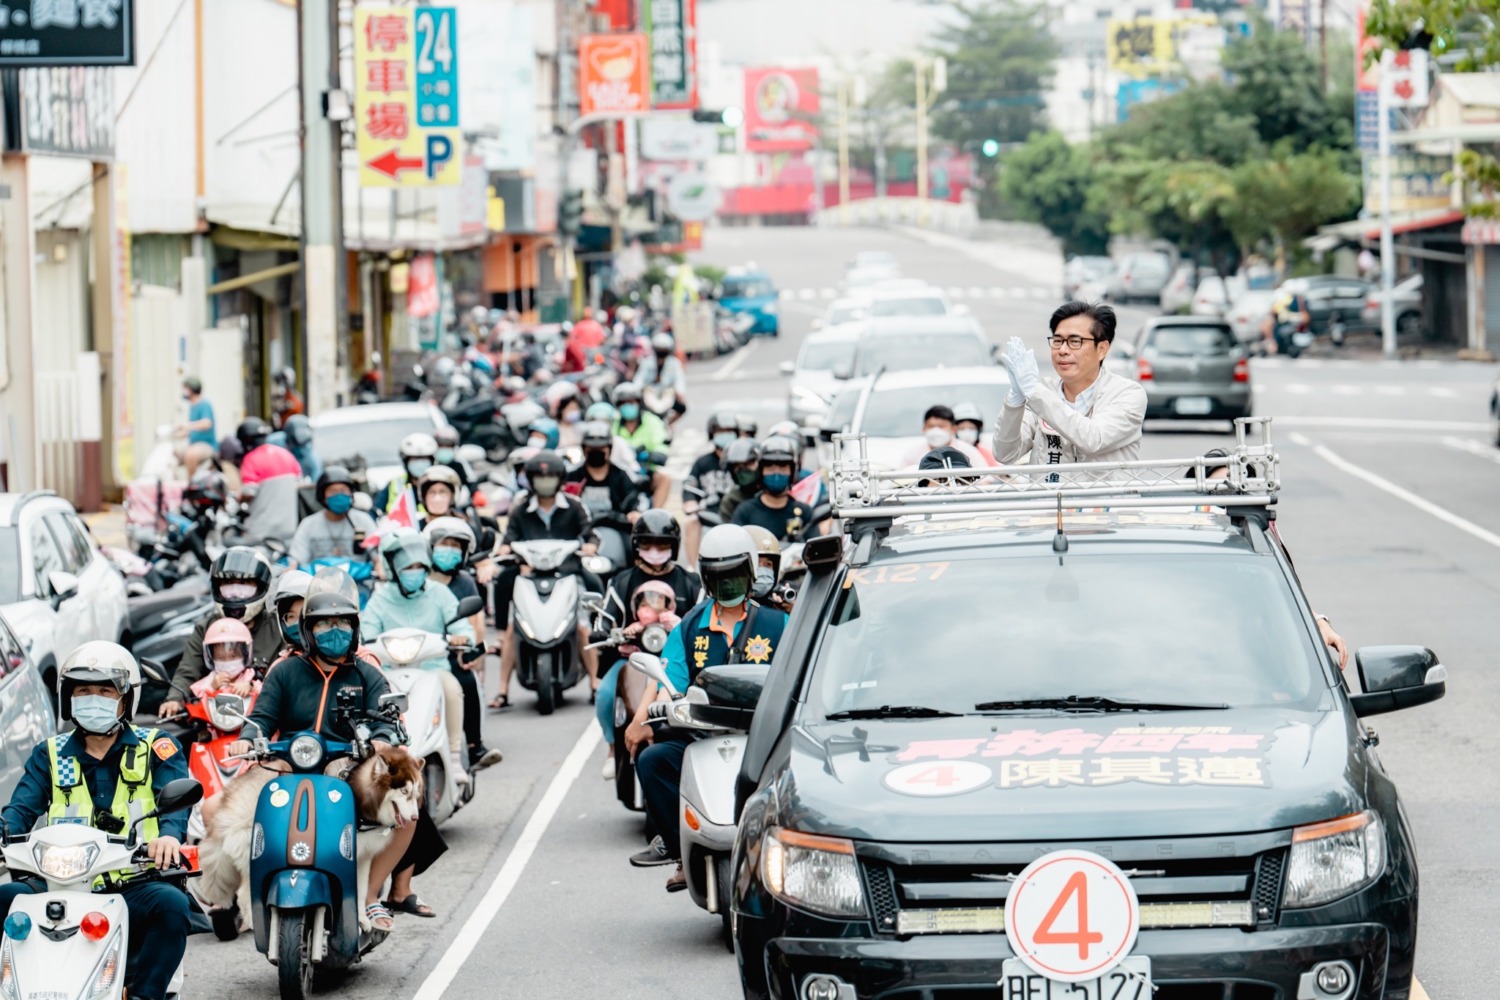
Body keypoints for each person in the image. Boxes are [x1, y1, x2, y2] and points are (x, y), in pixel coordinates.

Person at [0, 642, 203, 1000]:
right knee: (5, 898)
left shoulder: (155, 746)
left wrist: (169, 837)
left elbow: (174, 804)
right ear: (68, 698)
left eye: (105, 690)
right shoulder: (50, 754)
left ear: (126, 699)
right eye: (83, 690)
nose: (93, 698)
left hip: (133, 881)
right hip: (59, 884)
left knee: (171, 906)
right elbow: (19, 810)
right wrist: (4, 834)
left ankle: (144, 994)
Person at [229, 591, 414, 933]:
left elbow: (386, 720)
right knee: (222, 809)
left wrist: (381, 738)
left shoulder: (365, 674)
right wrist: (244, 739)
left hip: (346, 763)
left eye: (343, 623)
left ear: (355, 628)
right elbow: (262, 717)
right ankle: (245, 893)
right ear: (308, 631)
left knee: (404, 812)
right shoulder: (285, 671)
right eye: (325, 624)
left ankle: (370, 897)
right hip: (286, 761)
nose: (335, 630)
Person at [626, 525, 788, 890]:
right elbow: (668, 684)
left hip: (764, 739)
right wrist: (654, 711)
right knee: (652, 761)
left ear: (750, 572)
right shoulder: (689, 628)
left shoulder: (780, 624)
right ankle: (679, 850)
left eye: (734, 575)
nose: (727, 585)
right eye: (718, 578)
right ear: (704, 577)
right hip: (702, 736)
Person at [362, 530, 478, 783]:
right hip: (391, 671)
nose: (414, 572)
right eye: (407, 567)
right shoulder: (381, 598)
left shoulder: (439, 593)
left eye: (419, 567)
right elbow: (367, 631)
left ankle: (456, 758)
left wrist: (462, 637)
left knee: (452, 688)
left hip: (433, 668)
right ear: (395, 569)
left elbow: (461, 625)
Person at [593, 511, 702, 778]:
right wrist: (610, 633)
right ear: (636, 546)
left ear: (674, 546)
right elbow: (604, 620)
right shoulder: (621, 581)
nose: (654, 551)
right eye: (647, 544)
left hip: (678, 664)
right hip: (631, 659)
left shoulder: (691, 582)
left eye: (662, 544)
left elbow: (701, 618)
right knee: (605, 695)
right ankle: (611, 748)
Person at [492, 451, 603, 709]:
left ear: (560, 478)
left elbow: (591, 534)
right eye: (539, 477)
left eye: (550, 476)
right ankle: (502, 690)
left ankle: (595, 682)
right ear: (530, 480)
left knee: (584, 623)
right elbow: (508, 538)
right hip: (529, 576)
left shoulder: (574, 506)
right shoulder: (520, 510)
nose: (545, 481)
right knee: (511, 627)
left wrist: (590, 547)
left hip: (568, 574)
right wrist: (506, 550)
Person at [994, 301, 1148, 473]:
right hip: (1051, 499)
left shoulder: (1127, 393)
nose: (1063, 350)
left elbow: (1093, 440)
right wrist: (1014, 401)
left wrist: (1035, 392)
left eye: (1075, 341)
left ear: (1102, 349)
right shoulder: (1042, 392)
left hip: (1105, 500)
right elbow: (1005, 454)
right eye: (1057, 341)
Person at [160, 547, 282, 716]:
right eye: (227, 585)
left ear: (262, 586)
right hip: (215, 717)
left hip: (268, 715)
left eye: (244, 584)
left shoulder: (278, 628)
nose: (234, 594)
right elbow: (188, 670)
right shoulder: (206, 627)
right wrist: (174, 698)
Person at [423, 517, 502, 769]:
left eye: (456, 545)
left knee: (468, 681)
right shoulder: (416, 579)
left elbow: (475, 623)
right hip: (417, 652)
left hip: (452, 652)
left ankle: (474, 746)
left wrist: (472, 655)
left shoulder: (465, 582)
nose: (450, 550)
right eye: (445, 544)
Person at [288, 465, 376, 568]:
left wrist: (379, 567)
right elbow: (296, 558)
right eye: (333, 492)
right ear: (323, 497)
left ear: (351, 494)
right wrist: (291, 569)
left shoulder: (363, 520)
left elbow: (377, 553)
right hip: (319, 581)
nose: (339, 495)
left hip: (358, 581)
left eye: (343, 491)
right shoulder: (308, 524)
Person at [731, 435, 812, 543]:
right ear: (761, 472)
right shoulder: (745, 512)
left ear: (792, 473)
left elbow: (816, 552)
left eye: (783, 468)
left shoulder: (804, 513)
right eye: (770, 469)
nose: (776, 474)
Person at [682, 411, 738, 565]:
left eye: (729, 431)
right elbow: (689, 485)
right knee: (691, 521)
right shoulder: (702, 463)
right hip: (710, 512)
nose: (726, 435)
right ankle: (694, 569)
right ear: (712, 434)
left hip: (735, 512)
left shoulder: (740, 461)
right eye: (721, 431)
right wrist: (690, 502)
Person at [234, 417, 302, 544]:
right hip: (290, 529)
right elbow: (300, 485)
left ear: (246, 440)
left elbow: (249, 493)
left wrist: (238, 498)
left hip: (261, 533)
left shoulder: (251, 459)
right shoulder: (286, 454)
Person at [567, 421, 647, 523]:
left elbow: (633, 501)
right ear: (584, 449)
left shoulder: (621, 475)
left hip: (617, 529)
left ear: (609, 448)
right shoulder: (572, 476)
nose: (596, 452)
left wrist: (634, 513)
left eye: (600, 448)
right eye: (592, 448)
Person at [612, 383, 671, 508]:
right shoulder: (613, 424)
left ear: (639, 403)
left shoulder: (652, 421)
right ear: (618, 406)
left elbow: (662, 446)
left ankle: (655, 513)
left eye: (631, 402)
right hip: (620, 473)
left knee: (664, 478)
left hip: (644, 471)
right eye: (624, 403)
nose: (628, 406)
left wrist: (649, 455)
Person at [376, 432, 439, 515]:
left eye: (424, 459)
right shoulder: (395, 484)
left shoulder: (440, 484)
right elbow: (376, 510)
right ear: (406, 461)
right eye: (415, 459)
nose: (419, 463)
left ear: (432, 461)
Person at [905, 405, 986, 467]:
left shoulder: (968, 451)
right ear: (924, 428)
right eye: (931, 426)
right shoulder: (913, 454)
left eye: (941, 426)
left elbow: (986, 480)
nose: (936, 431)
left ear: (953, 429)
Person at [635, 332, 688, 424]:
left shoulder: (674, 364)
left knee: (682, 407)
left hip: (667, 395)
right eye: (659, 351)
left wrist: (680, 395)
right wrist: (637, 392)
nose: (661, 354)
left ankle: (668, 424)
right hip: (650, 395)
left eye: (664, 351)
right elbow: (638, 381)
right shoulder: (647, 363)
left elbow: (679, 382)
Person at [743, 524, 794, 614]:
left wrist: (790, 613)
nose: (762, 569)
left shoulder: (775, 607)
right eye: (756, 562)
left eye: (768, 564)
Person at [176, 376, 217, 476]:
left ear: (192, 389)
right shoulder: (192, 407)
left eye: (185, 388)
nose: (183, 391)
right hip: (193, 444)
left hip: (207, 445)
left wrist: (186, 426)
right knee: (173, 453)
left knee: (191, 454)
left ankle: (192, 483)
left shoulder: (204, 404)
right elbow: (193, 429)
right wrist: (181, 434)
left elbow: (206, 423)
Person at [717, 438, 761, 522]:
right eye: (737, 466)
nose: (743, 470)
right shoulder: (730, 501)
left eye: (748, 464)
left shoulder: (772, 492)